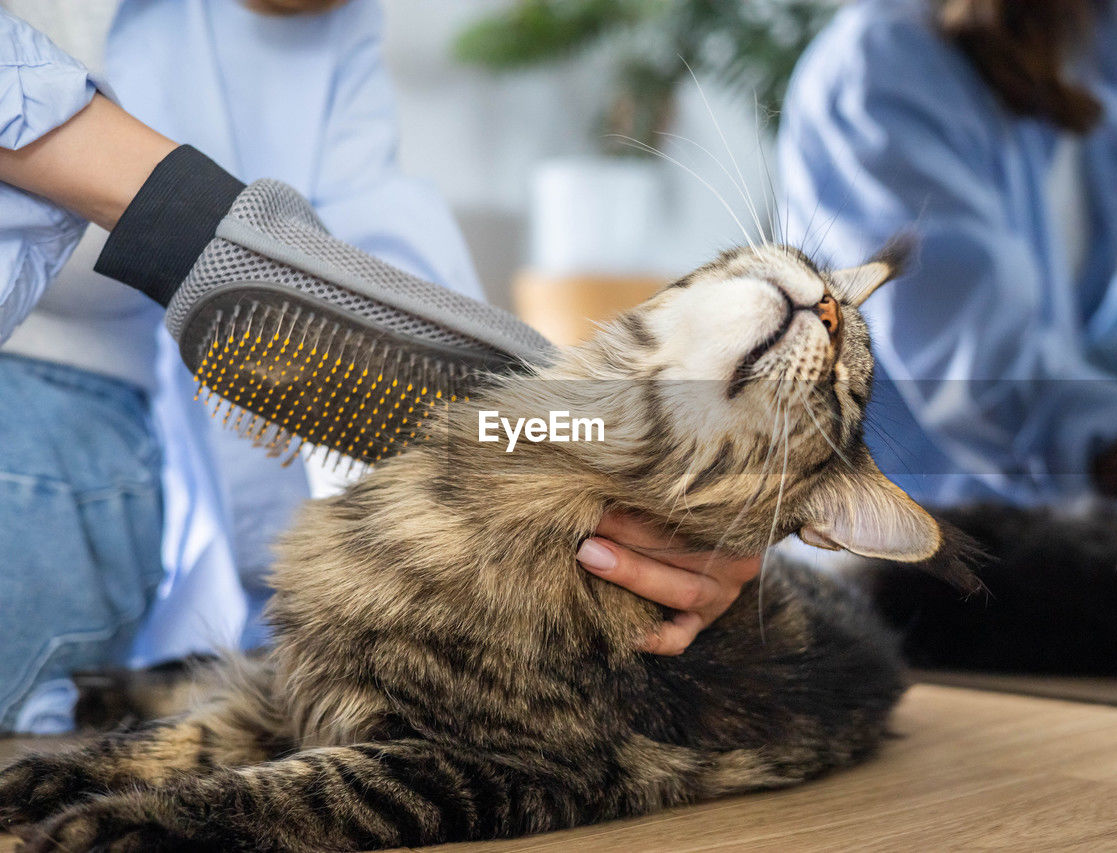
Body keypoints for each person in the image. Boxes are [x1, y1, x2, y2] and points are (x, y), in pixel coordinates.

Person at [0, 2, 760, 733]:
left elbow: (392, 305)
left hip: (63, 470)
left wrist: (641, 491)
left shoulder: (331, 27)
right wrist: (162, 202)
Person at [778, 0, 1117, 526]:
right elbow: (999, 395)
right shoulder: (879, 75)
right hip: (944, 490)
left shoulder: (1108, 31)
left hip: (1048, 394)